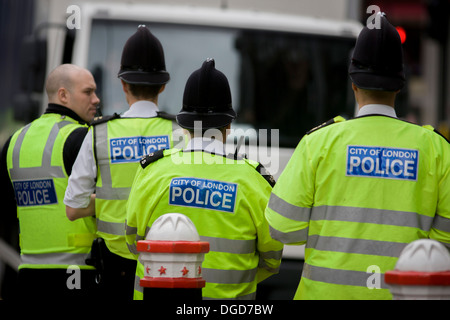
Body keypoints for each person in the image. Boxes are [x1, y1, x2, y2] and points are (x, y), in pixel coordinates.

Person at [264, 14, 450, 300]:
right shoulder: (436, 149)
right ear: (399, 86)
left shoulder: (319, 143)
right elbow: (444, 241)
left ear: (353, 83)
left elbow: (280, 227)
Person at [125, 58, 283, 300]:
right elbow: (271, 259)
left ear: (183, 123)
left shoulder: (151, 170)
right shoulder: (256, 179)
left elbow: (134, 244)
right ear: (229, 124)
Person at [64, 25, 180, 300]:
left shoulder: (100, 132)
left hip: (115, 266)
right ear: (163, 85)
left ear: (123, 84)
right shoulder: (179, 133)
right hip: (165, 262)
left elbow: (73, 208)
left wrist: (104, 202)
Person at [0, 64, 100, 299]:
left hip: (27, 274)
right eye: (88, 92)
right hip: (77, 274)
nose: (96, 99)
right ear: (63, 95)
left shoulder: (14, 141)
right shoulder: (82, 139)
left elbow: (6, 212)